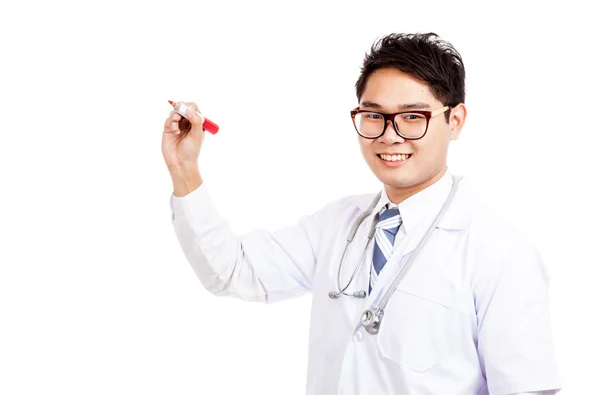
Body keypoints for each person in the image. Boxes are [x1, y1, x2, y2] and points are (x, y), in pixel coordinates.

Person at [161, 32, 561, 395]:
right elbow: (232, 272)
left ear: (454, 120)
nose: (389, 135)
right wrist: (185, 169)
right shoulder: (338, 224)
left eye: (412, 117)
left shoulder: (501, 252)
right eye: (373, 115)